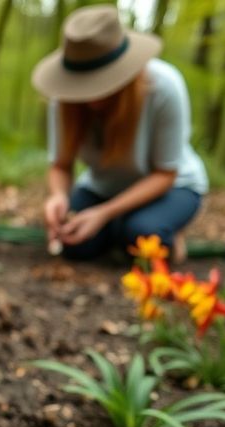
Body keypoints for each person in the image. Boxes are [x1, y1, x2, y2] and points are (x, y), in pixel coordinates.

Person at [31, 5, 208, 261]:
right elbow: (60, 164)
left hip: (173, 188)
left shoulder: (164, 87)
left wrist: (104, 214)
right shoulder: (62, 99)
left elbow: (165, 174)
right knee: (74, 243)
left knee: (143, 236)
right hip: (103, 187)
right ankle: (119, 228)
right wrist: (58, 197)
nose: (91, 98)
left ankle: (158, 229)